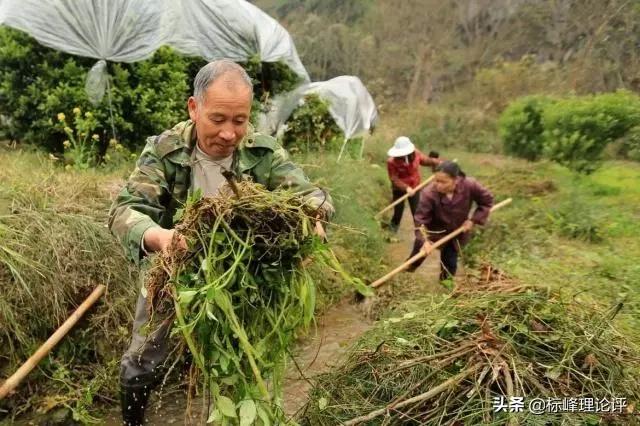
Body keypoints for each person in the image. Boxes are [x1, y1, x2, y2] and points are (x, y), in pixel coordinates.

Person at [108, 59, 333, 426]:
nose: (229, 133)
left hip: (241, 277)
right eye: (218, 119)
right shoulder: (165, 150)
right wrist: (160, 237)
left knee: (239, 363)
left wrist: (312, 217)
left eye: (239, 121)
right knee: (143, 359)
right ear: (194, 108)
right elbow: (125, 211)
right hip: (172, 271)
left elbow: (312, 195)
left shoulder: (263, 153)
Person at [406, 160, 493, 288]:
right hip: (432, 231)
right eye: (436, 181)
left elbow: (487, 201)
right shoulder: (429, 193)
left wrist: (473, 220)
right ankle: (405, 277)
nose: (438, 185)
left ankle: (444, 291)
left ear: (456, 179)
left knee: (449, 264)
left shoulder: (470, 185)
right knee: (416, 258)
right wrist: (424, 240)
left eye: (443, 182)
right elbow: (420, 219)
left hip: (456, 233)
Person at [386, 136, 441, 232]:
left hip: (415, 186)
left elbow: (425, 160)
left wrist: (438, 163)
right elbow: (394, 178)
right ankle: (393, 229)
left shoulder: (416, 154)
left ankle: (420, 231)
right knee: (398, 211)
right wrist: (406, 188)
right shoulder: (391, 162)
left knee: (416, 211)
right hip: (399, 189)